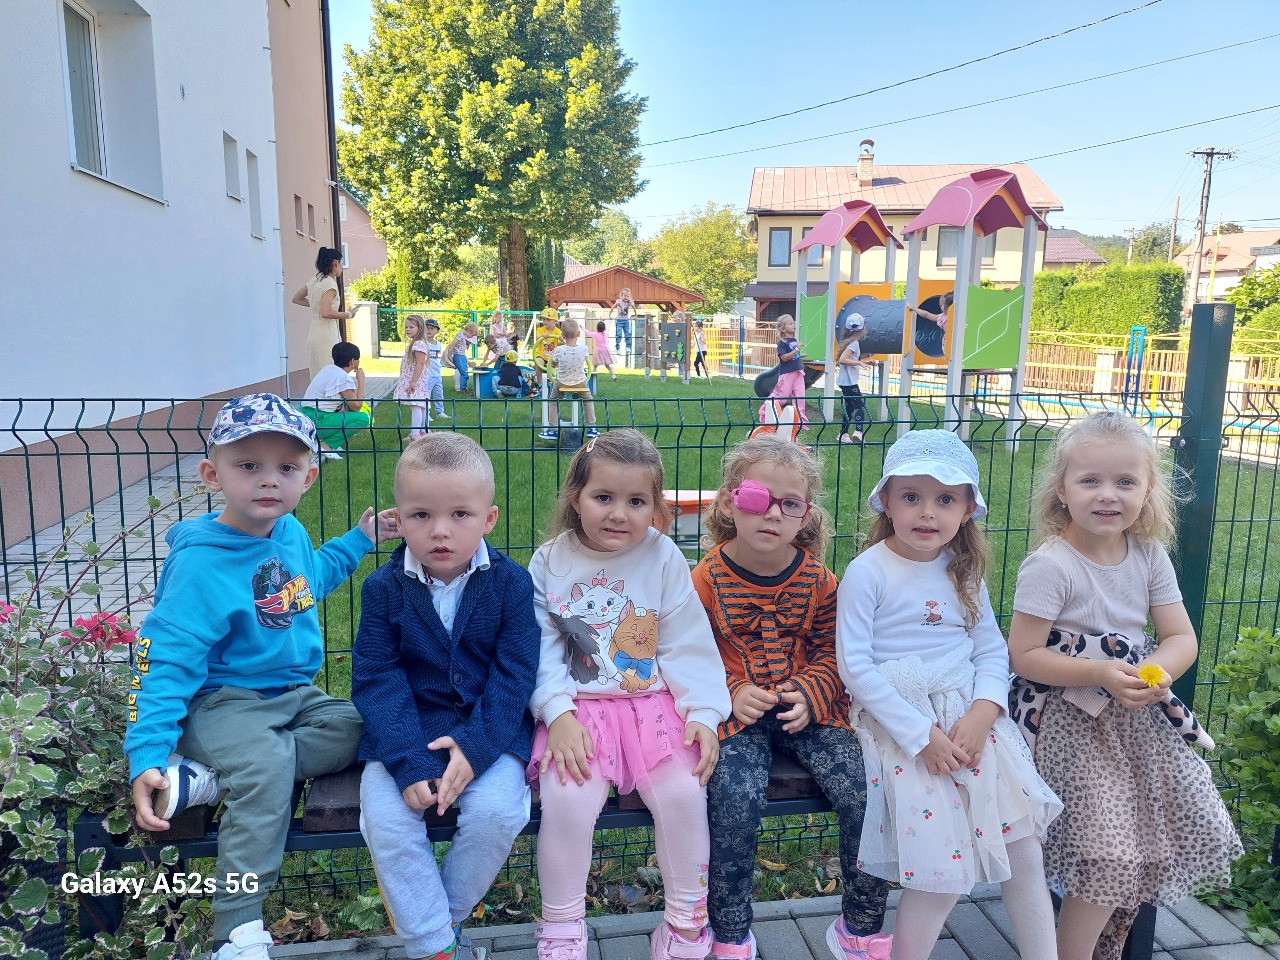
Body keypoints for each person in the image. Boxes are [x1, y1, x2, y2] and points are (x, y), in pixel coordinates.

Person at [125, 394, 399, 960]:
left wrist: (360, 541)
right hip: (221, 702)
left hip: (292, 695)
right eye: (249, 465)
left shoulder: (287, 530)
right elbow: (161, 661)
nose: (269, 480)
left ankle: (212, 777)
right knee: (267, 765)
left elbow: (307, 580)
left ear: (308, 478)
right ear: (213, 475)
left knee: (358, 727)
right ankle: (237, 928)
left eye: (287, 467)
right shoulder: (200, 564)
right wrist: (147, 750)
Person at [1008, 412, 1242, 960]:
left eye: (1125, 481)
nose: (1107, 494)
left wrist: (1153, 673)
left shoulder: (1149, 556)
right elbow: (1024, 654)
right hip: (1069, 724)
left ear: (1147, 490)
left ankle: (1096, 948)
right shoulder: (1052, 566)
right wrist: (1097, 672)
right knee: (1109, 855)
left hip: (1135, 723)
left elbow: (1180, 637)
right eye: (1090, 480)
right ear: (1062, 490)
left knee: (1142, 848)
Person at [836, 429, 1062, 960]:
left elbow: (990, 650)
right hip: (902, 721)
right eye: (911, 496)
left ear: (966, 510)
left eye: (945, 500)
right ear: (886, 501)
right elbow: (856, 666)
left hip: (970, 718)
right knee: (941, 865)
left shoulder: (963, 571)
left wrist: (984, 712)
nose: (927, 512)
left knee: (1024, 849)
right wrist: (922, 737)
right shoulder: (868, 572)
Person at [528, 429, 731, 960]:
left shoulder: (663, 557)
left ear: (655, 506)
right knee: (567, 801)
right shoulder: (550, 561)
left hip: (651, 711)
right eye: (604, 497)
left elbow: (687, 641)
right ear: (576, 497)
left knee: (685, 794)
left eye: (636, 501)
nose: (619, 514)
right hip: (577, 714)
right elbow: (540, 648)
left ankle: (686, 924)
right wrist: (556, 712)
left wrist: (703, 711)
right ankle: (562, 928)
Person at [694, 437, 891, 960]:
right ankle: (730, 933)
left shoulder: (819, 582)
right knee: (734, 802)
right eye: (757, 498)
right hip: (736, 718)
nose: (772, 514)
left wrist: (810, 693)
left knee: (867, 792)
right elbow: (690, 654)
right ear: (729, 501)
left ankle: (860, 927)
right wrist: (732, 692)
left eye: (790, 504)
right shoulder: (704, 580)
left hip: (810, 713)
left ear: (805, 514)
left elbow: (834, 651)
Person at [353, 433, 541, 960]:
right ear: (399, 518)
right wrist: (408, 762)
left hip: (491, 730)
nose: (440, 530)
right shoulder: (382, 589)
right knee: (386, 823)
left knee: (498, 813)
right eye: (421, 515)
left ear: (489, 518)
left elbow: (515, 675)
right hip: (403, 732)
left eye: (460, 514)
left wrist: (475, 747)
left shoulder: (512, 584)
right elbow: (377, 679)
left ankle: (440, 927)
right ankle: (440, 948)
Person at [300, 341, 371, 461]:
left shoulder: (328, 369)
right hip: (318, 421)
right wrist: (361, 381)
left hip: (306, 419)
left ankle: (329, 444)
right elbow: (357, 406)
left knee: (347, 411)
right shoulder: (342, 377)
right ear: (353, 361)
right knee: (362, 418)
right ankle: (326, 446)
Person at [292, 247, 355, 381]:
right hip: (326, 334)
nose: (341, 267)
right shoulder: (330, 284)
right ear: (335, 263)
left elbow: (296, 298)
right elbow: (325, 313)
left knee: (317, 372)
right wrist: (347, 314)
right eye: (341, 263)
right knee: (329, 371)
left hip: (314, 332)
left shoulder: (315, 280)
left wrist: (316, 305)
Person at [540, 318, 597, 443]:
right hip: (580, 382)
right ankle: (592, 427)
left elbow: (553, 364)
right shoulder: (584, 349)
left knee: (553, 402)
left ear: (563, 335)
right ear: (578, 334)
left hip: (562, 382)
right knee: (588, 400)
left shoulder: (559, 350)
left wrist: (559, 348)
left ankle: (553, 430)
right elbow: (584, 360)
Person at [835, 315, 873, 444]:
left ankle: (843, 434)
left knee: (849, 407)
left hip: (845, 382)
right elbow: (843, 360)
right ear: (862, 329)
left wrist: (865, 362)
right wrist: (859, 363)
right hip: (849, 382)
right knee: (860, 405)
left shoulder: (849, 342)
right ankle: (858, 432)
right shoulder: (854, 343)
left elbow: (849, 358)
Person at [393, 315, 432, 439]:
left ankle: (415, 434)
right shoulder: (416, 343)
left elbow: (420, 363)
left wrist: (413, 382)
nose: (408, 329)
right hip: (418, 380)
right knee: (421, 405)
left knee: (416, 406)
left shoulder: (418, 344)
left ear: (420, 328)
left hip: (416, 380)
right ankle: (424, 431)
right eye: (406, 327)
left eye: (411, 327)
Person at [768, 315, 807, 427]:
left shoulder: (794, 340)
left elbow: (793, 356)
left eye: (794, 323)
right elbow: (784, 358)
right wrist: (797, 349)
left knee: (800, 396)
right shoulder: (782, 343)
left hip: (798, 372)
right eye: (790, 323)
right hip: (787, 373)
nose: (794, 325)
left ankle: (800, 421)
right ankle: (767, 411)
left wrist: (800, 355)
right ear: (783, 329)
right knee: (782, 397)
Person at [905, 292, 953, 360]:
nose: (940, 307)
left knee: (950, 354)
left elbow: (927, 315)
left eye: (942, 305)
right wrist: (915, 309)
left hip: (949, 339)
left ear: (947, 306)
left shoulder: (943, 317)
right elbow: (926, 315)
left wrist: (915, 309)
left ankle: (950, 358)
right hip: (954, 339)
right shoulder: (949, 316)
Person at [443, 321, 481, 392]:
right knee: (464, 374)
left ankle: (463, 387)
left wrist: (468, 362)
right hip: (458, 355)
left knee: (464, 372)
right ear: (468, 331)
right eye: (472, 335)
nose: (471, 337)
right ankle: (462, 389)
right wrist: (450, 356)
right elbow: (452, 345)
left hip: (461, 356)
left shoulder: (463, 336)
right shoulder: (460, 335)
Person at [612, 287, 636, 354]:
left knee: (627, 334)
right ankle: (617, 347)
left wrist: (636, 315)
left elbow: (634, 308)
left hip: (626, 321)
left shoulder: (630, 302)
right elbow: (613, 307)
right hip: (619, 320)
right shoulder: (619, 301)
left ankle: (628, 347)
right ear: (621, 295)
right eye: (625, 296)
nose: (626, 297)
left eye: (627, 296)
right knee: (618, 334)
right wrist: (609, 315)